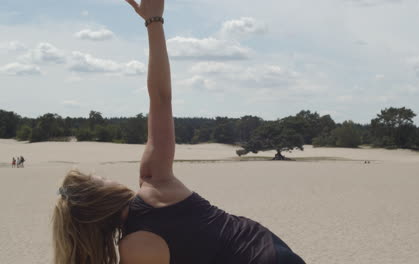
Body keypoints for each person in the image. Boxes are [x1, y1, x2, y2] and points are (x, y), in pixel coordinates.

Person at [52, 1, 306, 264]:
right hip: (269, 251)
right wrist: (154, 22)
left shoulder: (132, 247)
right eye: (101, 179)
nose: (110, 179)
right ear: (103, 196)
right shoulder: (154, 182)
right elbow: (161, 98)